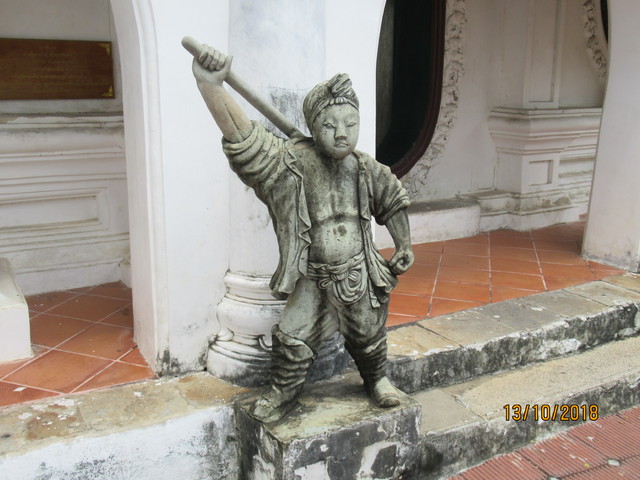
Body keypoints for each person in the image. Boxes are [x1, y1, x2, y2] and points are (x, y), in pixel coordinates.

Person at [191, 46, 414, 423]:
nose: (342, 133)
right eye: (329, 126)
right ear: (313, 127)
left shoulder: (365, 168)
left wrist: (403, 242)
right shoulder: (290, 164)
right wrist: (211, 85)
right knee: (292, 337)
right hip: (311, 276)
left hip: (358, 272)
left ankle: (378, 380)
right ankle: (283, 394)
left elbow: (392, 199)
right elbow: (246, 142)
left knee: (369, 333)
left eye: (351, 123)